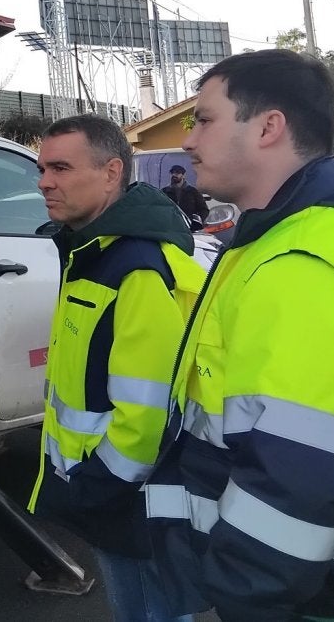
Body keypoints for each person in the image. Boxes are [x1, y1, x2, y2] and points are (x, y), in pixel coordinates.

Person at [144, 49, 334, 622]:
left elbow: (300, 475)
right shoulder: (280, 239)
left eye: (204, 119)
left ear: (268, 127)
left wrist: (238, 598)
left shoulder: (302, 263)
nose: (189, 141)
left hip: (331, 596)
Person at [29, 114, 206, 622]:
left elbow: (147, 414)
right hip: (115, 500)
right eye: (42, 168)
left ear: (111, 173)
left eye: (60, 167)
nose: (44, 181)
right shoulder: (92, 254)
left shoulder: (137, 267)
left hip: (131, 504)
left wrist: (96, 488)